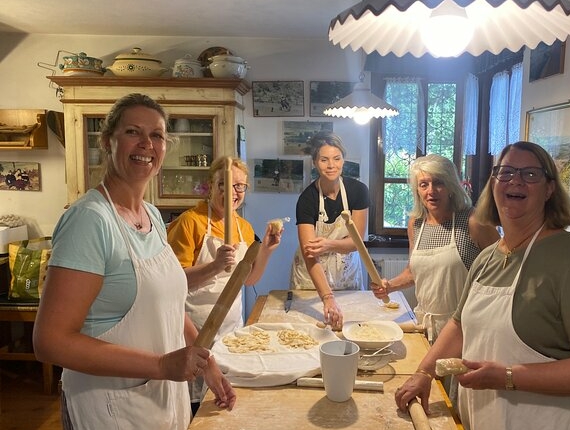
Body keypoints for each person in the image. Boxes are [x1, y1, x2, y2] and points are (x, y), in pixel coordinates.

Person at [33, 93, 236, 430]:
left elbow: (168, 303)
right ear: (107, 141)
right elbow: (50, 341)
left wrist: (205, 358)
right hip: (107, 406)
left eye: (156, 135)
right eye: (133, 132)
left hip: (159, 401)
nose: (146, 144)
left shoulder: (152, 216)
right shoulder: (90, 220)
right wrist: (162, 365)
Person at [394, 141, 570, 430]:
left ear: (549, 189)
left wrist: (507, 376)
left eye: (530, 174)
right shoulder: (489, 258)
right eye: (505, 173)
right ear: (493, 184)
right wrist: (424, 373)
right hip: (484, 418)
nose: (515, 180)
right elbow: (459, 326)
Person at [166, 156, 282, 407]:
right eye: (225, 184)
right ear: (210, 186)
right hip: (193, 331)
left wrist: (267, 250)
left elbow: (249, 279)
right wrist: (215, 266)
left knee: (223, 402)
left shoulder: (244, 227)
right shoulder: (190, 222)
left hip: (231, 333)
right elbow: (170, 284)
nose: (233, 192)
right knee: (195, 405)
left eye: (240, 186)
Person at [370, 154, 499, 343]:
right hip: (425, 325)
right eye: (424, 184)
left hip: (465, 329)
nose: (431, 191)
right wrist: (389, 287)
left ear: (451, 186)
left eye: (438, 183)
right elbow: (413, 272)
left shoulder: (473, 221)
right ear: (417, 191)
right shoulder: (416, 224)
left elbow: (502, 272)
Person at [289, 131, 369, 330]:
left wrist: (329, 244)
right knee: (311, 330)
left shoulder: (358, 191)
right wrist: (327, 297)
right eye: (324, 160)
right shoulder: (307, 199)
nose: (331, 165)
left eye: (336, 158)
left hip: (347, 272)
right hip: (312, 278)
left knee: (353, 328)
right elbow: (310, 254)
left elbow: (356, 242)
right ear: (315, 162)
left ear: (343, 159)